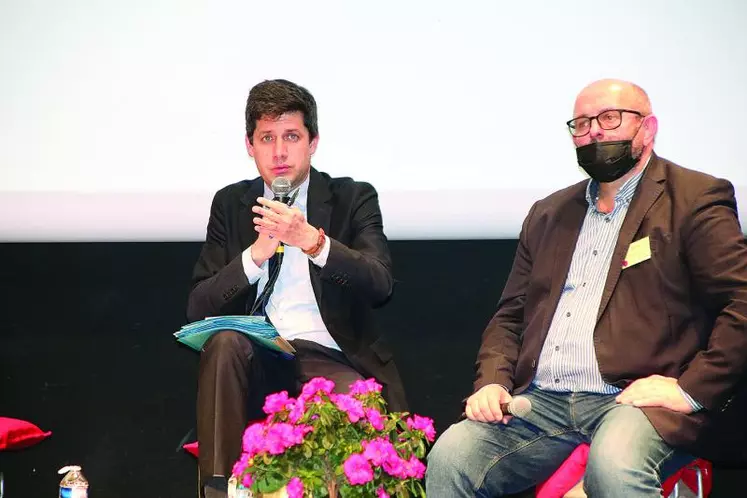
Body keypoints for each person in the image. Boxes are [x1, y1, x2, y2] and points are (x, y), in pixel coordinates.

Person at [425, 79, 747, 497]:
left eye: (609, 118)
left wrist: (691, 388)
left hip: (632, 399)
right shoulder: (548, 213)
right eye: (581, 123)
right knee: (452, 457)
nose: (593, 131)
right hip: (539, 403)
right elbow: (510, 316)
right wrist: (493, 382)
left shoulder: (694, 198)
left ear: (647, 129)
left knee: (613, 466)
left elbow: (741, 301)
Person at [187, 79, 407, 498]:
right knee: (224, 342)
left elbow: (380, 284)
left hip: (329, 356)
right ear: (250, 146)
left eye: (291, 136)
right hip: (257, 356)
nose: (280, 152)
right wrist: (254, 256)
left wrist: (314, 243)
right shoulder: (231, 204)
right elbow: (198, 305)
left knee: (352, 418)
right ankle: (216, 492)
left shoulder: (352, 197)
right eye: (267, 138)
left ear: (313, 142)